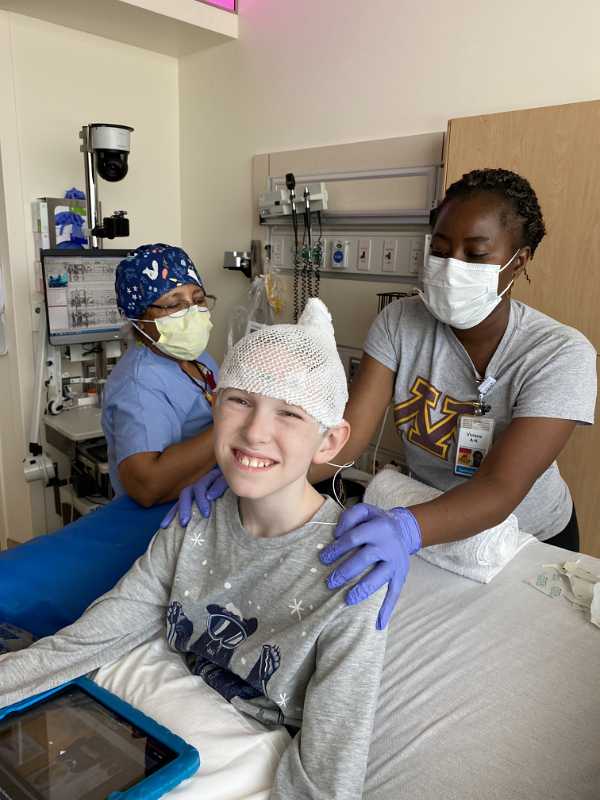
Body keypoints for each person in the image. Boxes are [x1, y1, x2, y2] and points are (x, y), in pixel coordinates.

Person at [1, 299, 391, 800]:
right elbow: (96, 636)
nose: (255, 431)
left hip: (236, 751)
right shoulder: (197, 517)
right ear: (214, 406)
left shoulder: (353, 574)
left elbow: (327, 774)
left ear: (330, 441)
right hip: (141, 718)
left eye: (290, 413)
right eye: (240, 401)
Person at [172, 168, 597, 629]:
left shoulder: (558, 353)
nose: (452, 266)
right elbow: (351, 438)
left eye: (475, 254)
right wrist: (255, 477)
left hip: (523, 538)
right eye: (440, 250)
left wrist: (406, 528)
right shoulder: (400, 323)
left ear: (519, 260)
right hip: (426, 516)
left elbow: (500, 487)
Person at [102, 243, 220, 506]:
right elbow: (146, 486)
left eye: (198, 300)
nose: (192, 313)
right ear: (140, 318)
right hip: (161, 516)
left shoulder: (199, 358)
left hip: (208, 496)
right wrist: (230, 426)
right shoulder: (138, 382)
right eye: (174, 305)